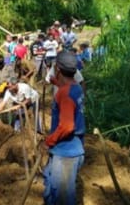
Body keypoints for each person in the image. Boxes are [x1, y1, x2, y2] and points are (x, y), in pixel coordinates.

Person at [43, 51, 85, 204]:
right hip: (74, 148)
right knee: (52, 187)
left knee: (61, 199)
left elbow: (67, 127)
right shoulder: (76, 88)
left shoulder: (64, 94)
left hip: (65, 152)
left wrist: (50, 140)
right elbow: (68, 92)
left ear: (58, 69)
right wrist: (57, 83)